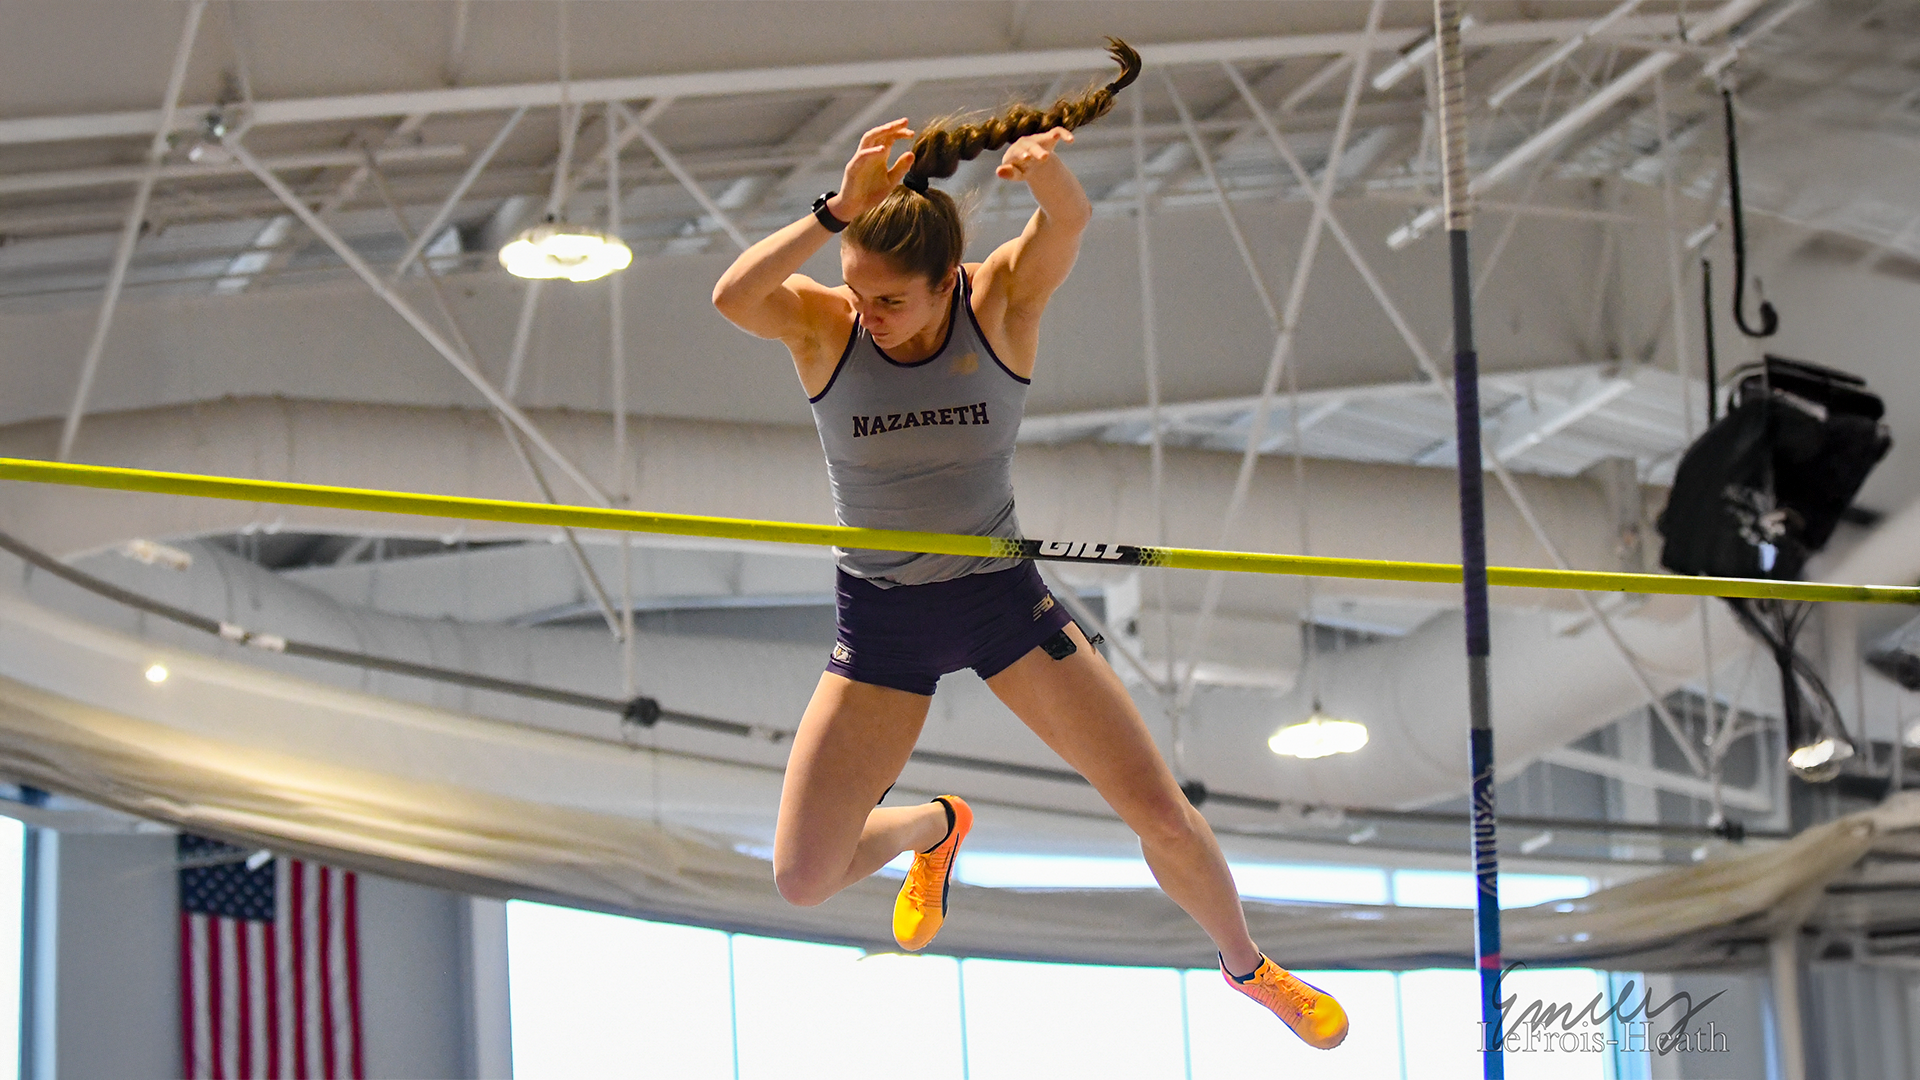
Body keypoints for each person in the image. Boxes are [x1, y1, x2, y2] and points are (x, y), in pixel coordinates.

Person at [711, 40, 1346, 1051]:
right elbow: (735, 299)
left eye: (890, 300)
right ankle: (935, 826)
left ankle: (1248, 966)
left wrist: (1051, 182)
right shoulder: (827, 329)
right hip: (882, 620)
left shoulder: (999, 305)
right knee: (803, 877)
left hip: (1001, 600)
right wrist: (833, 212)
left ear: (945, 283)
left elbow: (1068, 226)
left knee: (1160, 812)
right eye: (856, 292)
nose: (868, 317)